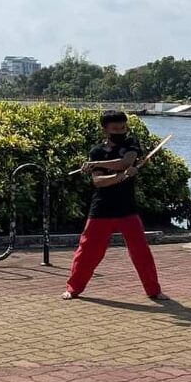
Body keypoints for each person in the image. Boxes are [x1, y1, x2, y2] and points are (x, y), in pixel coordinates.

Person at [62, 110, 168, 301]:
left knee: (140, 251)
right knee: (87, 251)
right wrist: (119, 176)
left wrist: (97, 164)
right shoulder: (96, 151)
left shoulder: (131, 143)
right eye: (115, 129)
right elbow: (99, 182)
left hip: (127, 208)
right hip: (101, 208)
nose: (121, 131)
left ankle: (154, 290)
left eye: (123, 127)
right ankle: (73, 288)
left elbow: (125, 162)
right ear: (105, 130)